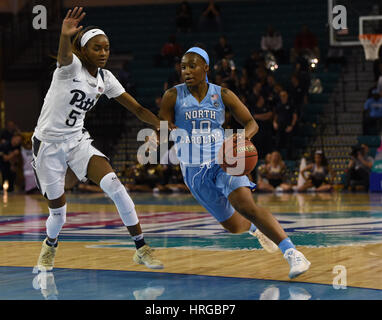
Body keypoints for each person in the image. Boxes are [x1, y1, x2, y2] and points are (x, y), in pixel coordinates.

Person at [32, 7, 169, 272]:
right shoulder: (70, 67)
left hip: (77, 141)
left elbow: (138, 110)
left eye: (106, 48)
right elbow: (63, 54)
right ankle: (50, 245)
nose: (104, 53)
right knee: (58, 215)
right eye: (97, 48)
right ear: (84, 50)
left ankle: (141, 248)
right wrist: (63, 35)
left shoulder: (105, 78)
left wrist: (163, 125)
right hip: (48, 145)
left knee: (116, 186)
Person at [158, 45, 310, 279]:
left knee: (247, 207)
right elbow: (162, 126)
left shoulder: (223, 94)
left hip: (225, 160)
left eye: (192, 65)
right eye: (183, 67)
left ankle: (292, 252)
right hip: (193, 170)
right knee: (232, 226)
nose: (187, 71)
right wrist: (161, 132)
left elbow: (251, 122)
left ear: (206, 67)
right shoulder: (173, 95)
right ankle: (255, 229)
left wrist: (243, 136)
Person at [273, 90, 298, 159]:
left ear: (287, 96)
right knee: (278, 143)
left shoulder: (291, 104)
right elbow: (276, 115)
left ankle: (289, 158)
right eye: (281, 96)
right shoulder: (278, 105)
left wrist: (292, 125)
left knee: (289, 143)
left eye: (284, 95)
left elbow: (295, 115)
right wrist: (274, 122)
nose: (282, 97)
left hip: (288, 126)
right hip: (280, 126)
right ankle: (277, 158)